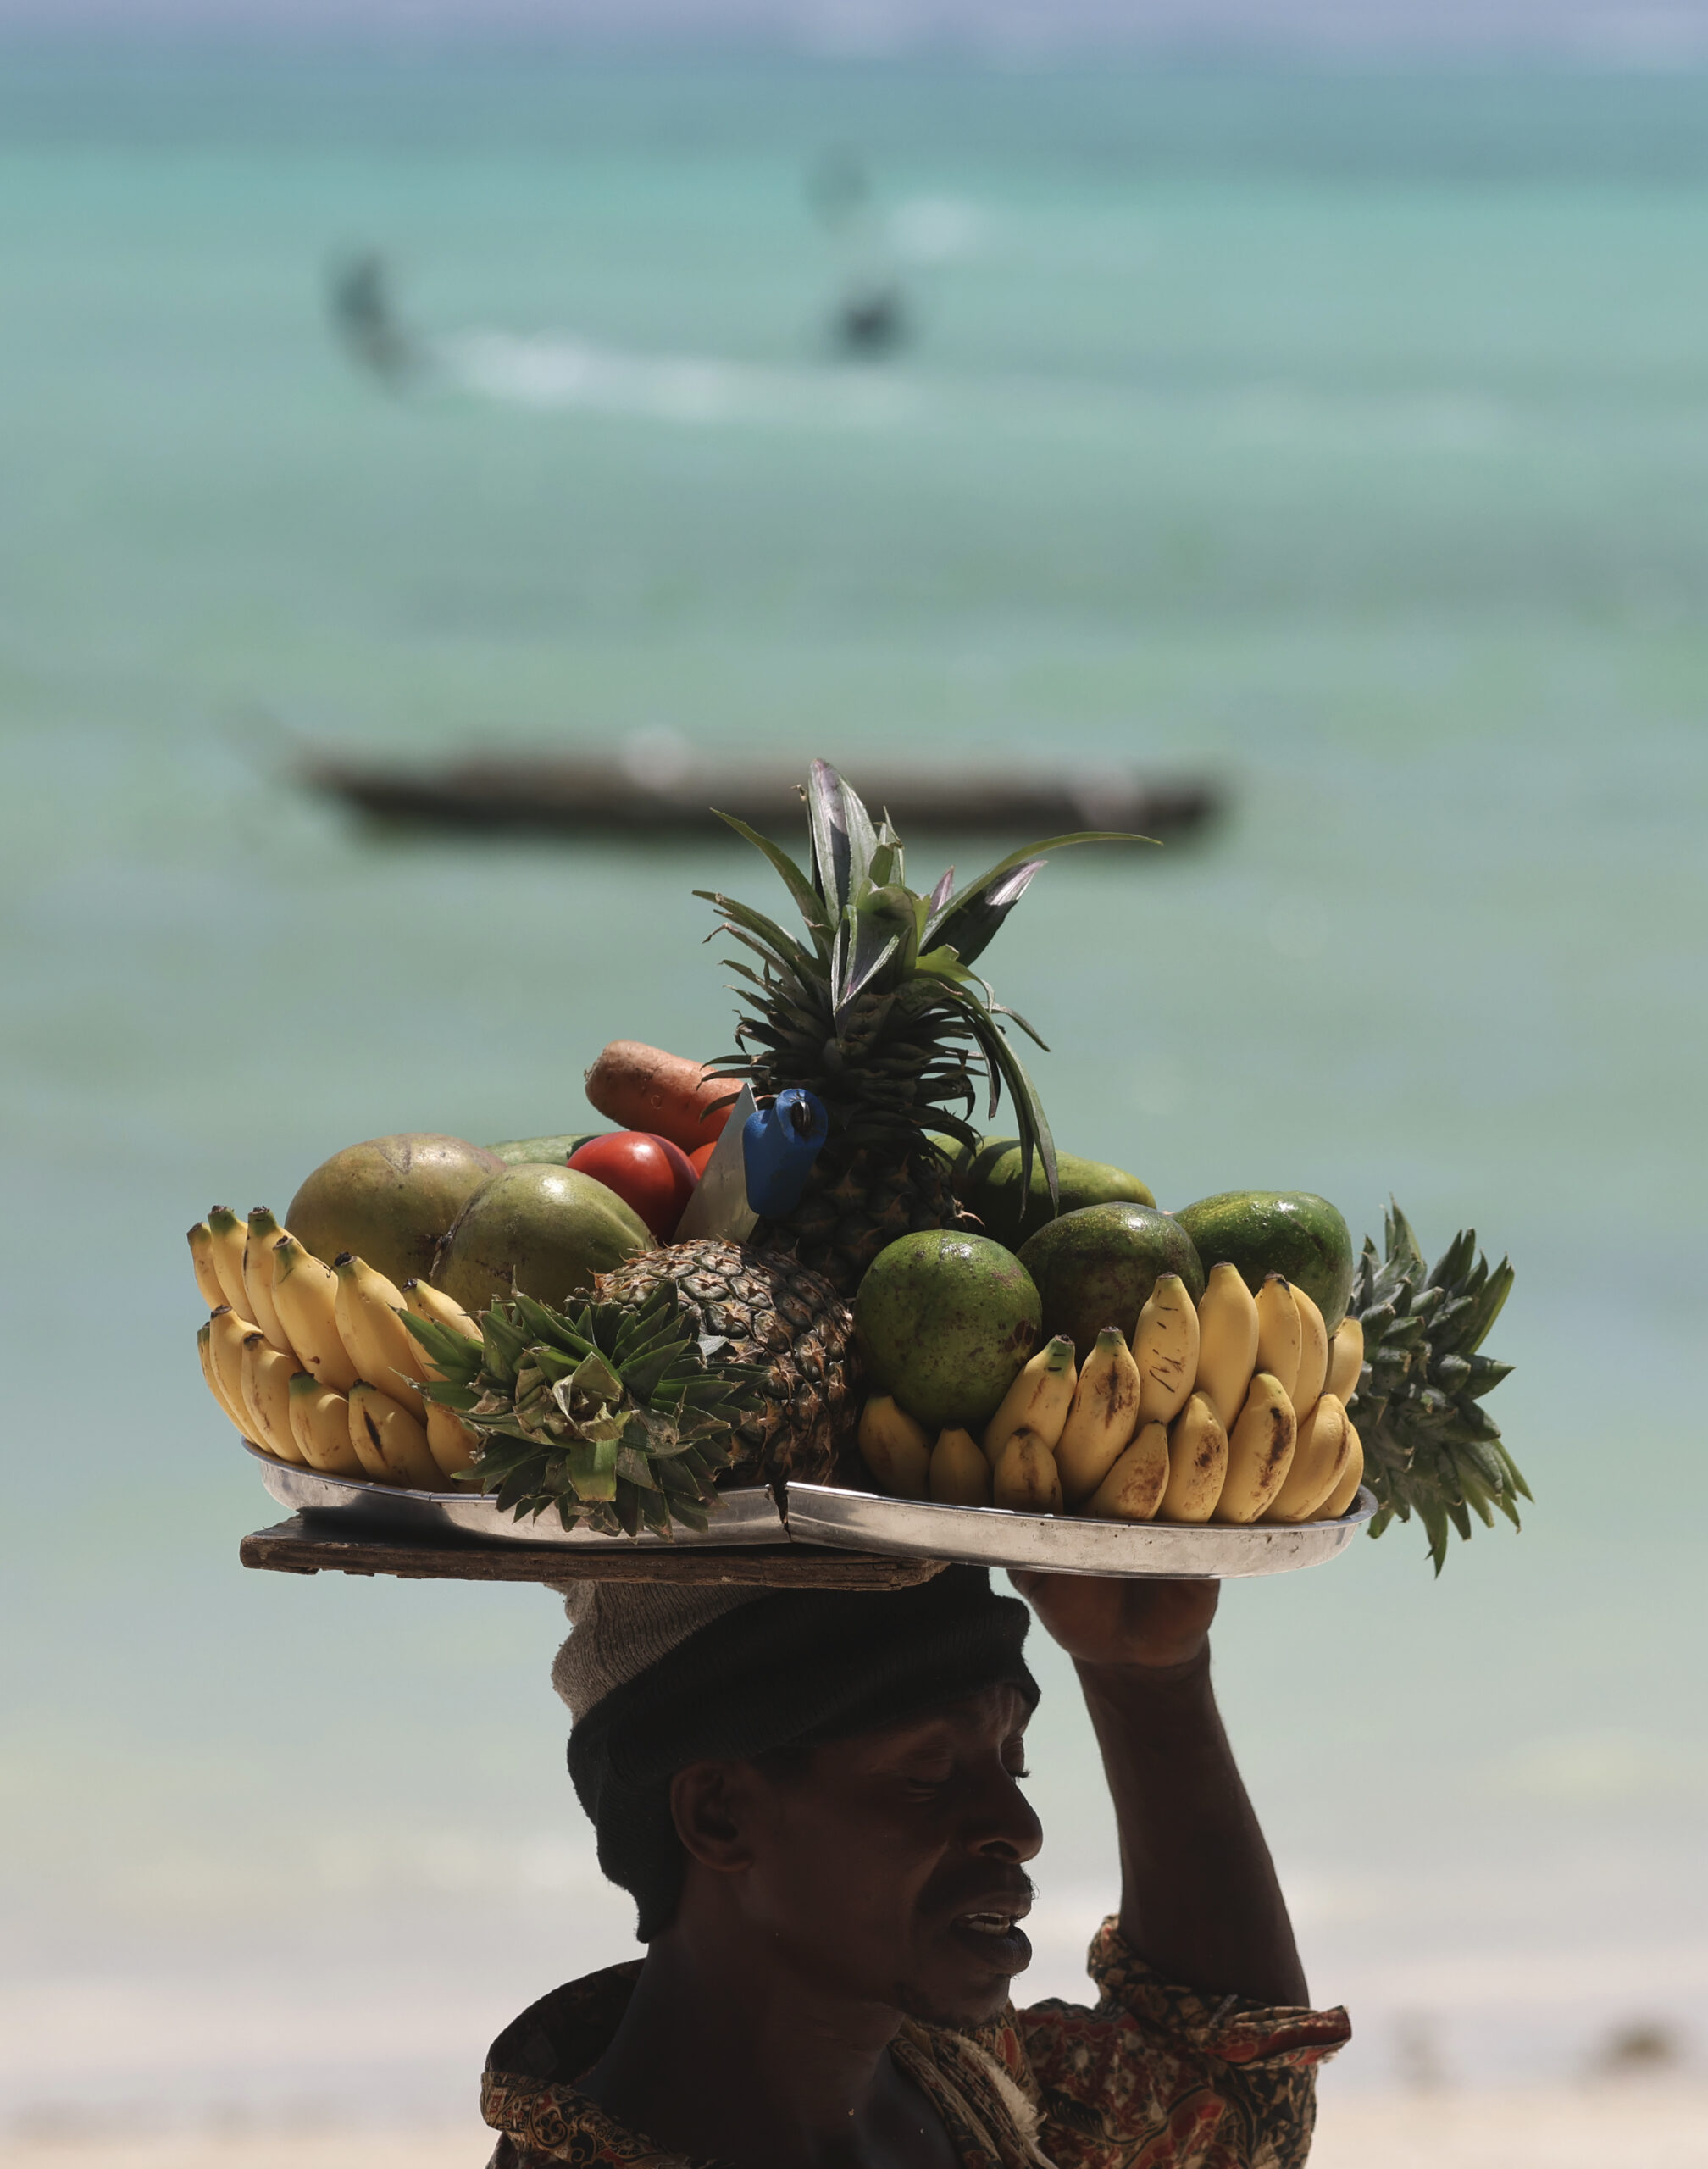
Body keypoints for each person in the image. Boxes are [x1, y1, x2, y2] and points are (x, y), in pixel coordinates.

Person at [482, 1565, 1349, 2167]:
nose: (1021, 1826)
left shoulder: (960, 2080)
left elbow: (1237, 2110)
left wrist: (1145, 1671)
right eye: (930, 1775)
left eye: (1012, 1761)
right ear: (720, 1812)